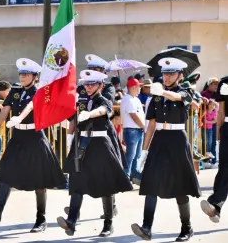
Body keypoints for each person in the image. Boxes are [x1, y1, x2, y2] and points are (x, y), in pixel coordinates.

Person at [0, 58, 66, 233]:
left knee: (39, 180)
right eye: (21, 73)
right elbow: (5, 109)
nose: (22, 76)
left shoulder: (41, 92)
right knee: (6, 171)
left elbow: (32, 106)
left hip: (34, 136)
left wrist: (19, 117)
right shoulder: (16, 91)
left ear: (35, 76)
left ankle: (41, 219)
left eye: (26, 74)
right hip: (18, 136)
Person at [131, 58, 201, 242]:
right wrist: (144, 151)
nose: (167, 77)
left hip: (177, 140)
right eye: (164, 73)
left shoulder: (186, 90)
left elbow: (180, 98)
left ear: (180, 75)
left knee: (180, 186)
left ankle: (187, 227)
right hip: (159, 140)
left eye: (171, 73)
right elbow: (152, 125)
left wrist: (162, 91)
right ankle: (146, 227)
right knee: (151, 183)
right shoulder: (155, 95)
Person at [57, 70, 133, 237]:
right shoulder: (81, 100)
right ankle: (71, 222)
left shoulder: (104, 100)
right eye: (86, 84)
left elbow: (102, 111)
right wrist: (70, 135)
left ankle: (108, 223)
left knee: (105, 185)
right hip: (82, 145)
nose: (88, 87)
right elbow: (72, 118)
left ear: (100, 85)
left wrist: (88, 114)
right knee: (77, 183)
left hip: (100, 145)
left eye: (92, 84)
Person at [64, 53, 126, 220]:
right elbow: (74, 109)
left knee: (106, 171)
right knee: (80, 170)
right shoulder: (83, 87)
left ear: (102, 72)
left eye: (95, 70)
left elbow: (105, 107)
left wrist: (89, 113)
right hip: (83, 132)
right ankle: (74, 211)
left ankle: (110, 208)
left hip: (103, 131)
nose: (91, 73)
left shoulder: (108, 88)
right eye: (89, 70)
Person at [199, 75, 228, 223]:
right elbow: (221, 112)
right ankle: (216, 204)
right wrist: (217, 138)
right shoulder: (224, 82)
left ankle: (216, 203)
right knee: (224, 168)